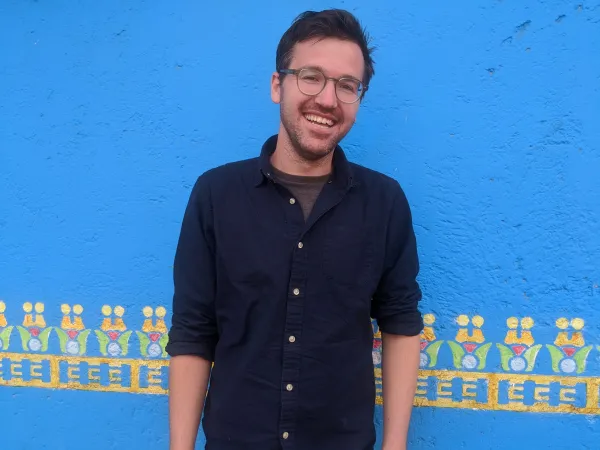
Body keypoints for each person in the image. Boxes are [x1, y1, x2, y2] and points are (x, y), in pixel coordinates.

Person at [166, 9, 423, 450]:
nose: (328, 99)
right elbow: (194, 331)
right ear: (277, 85)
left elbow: (400, 324)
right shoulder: (216, 195)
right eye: (311, 77)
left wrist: (395, 444)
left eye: (348, 86)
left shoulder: (384, 202)